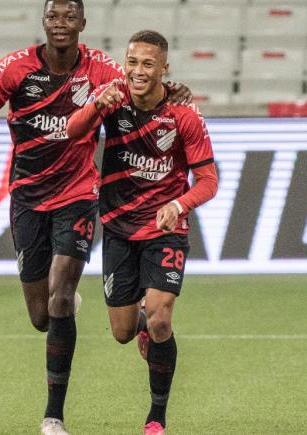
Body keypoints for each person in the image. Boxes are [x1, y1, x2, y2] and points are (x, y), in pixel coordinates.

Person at [0, 2, 190, 434]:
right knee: (41, 316)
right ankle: (134, 320)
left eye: (70, 17)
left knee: (62, 296)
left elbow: (140, 85)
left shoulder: (101, 68)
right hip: (28, 198)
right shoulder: (13, 70)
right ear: (44, 23)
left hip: (79, 194)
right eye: (54, 17)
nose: (61, 24)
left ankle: (53, 418)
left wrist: (174, 88)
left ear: (82, 25)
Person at [66, 30, 219, 435]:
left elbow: (208, 181)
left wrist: (179, 204)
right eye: (132, 61)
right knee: (120, 331)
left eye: (148, 64)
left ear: (164, 68)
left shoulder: (184, 116)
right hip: (117, 228)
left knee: (161, 320)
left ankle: (156, 417)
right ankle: (140, 327)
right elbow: (73, 132)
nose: (137, 71)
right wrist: (96, 105)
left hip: (165, 229)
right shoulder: (112, 98)